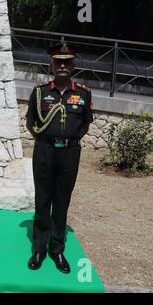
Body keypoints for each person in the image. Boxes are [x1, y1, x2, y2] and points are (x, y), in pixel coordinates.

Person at [25, 42, 94, 274]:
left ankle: (57, 249)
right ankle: (39, 249)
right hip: (44, 152)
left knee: (61, 201)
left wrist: (69, 139)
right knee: (43, 199)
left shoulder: (82, 93)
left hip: (69, 153)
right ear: (52, 65)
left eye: (67, 62)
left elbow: (85, 123)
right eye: (58, 62)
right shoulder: (40, 92)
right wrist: (45, 139)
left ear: (73, 65)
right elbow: (31, 122)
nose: (62, 65)